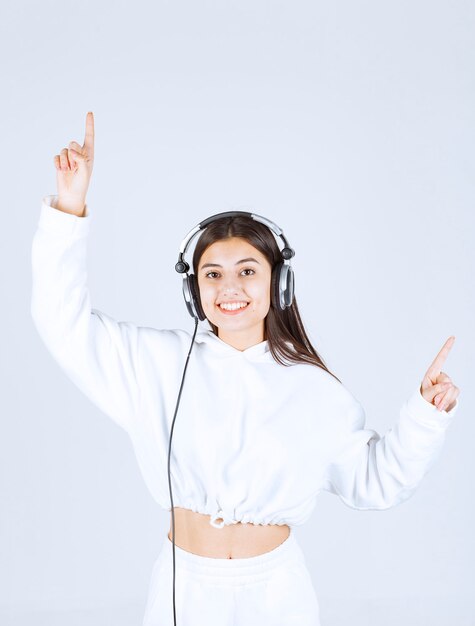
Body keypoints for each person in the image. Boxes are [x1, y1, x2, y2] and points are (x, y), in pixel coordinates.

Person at [31, 111, 460, 626]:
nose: (228, 288)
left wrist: (424, 416)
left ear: (279, 285)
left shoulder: (314, 389)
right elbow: (61, 322)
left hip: (276, 592)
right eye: (212, 274)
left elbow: (376, 482)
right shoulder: (154, 363)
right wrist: (69, 205)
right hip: (182, 586)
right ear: (194, 291)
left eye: (247, 271)